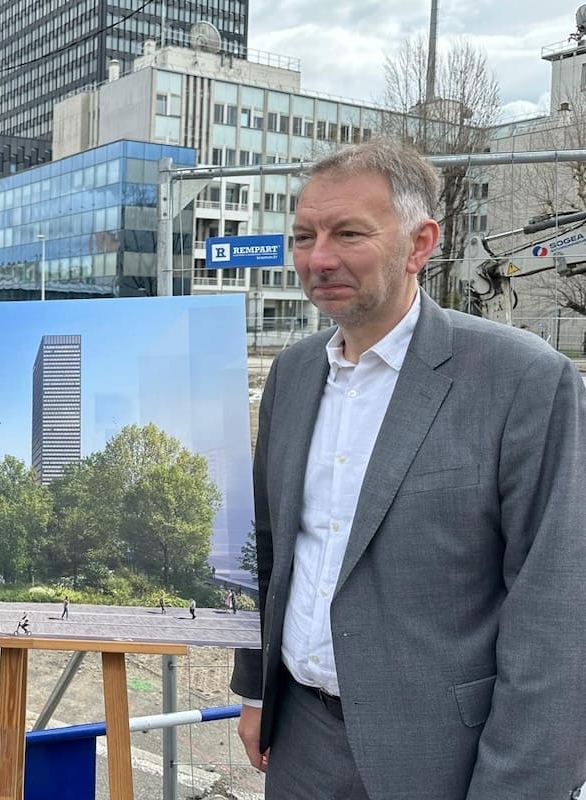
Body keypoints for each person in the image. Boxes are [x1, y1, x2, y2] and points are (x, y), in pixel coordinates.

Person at [230, 139, 586, 799]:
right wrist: (255, 691)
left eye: (348, 234)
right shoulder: (293, 373)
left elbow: (555, 611)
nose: (318, 258)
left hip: (442, 754)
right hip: (300, 741)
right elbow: (269, 552)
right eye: (303, 236)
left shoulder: (522, 380)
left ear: (420, 244)